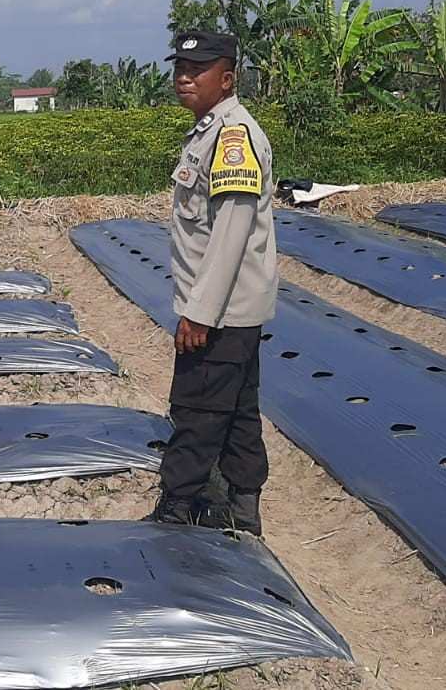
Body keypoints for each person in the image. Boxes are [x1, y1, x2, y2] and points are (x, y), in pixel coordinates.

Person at [147, 31, 277, 535]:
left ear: (226, 79)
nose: (184, 77)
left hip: (222, 311)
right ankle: (243, 515)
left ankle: (177, 510)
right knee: (240, 413)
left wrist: (199, 311)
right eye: (180, 67)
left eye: (197, 69)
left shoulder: (232, 139)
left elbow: (230, 232)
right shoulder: (210, 133)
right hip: (232, 309)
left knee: (197, 411)